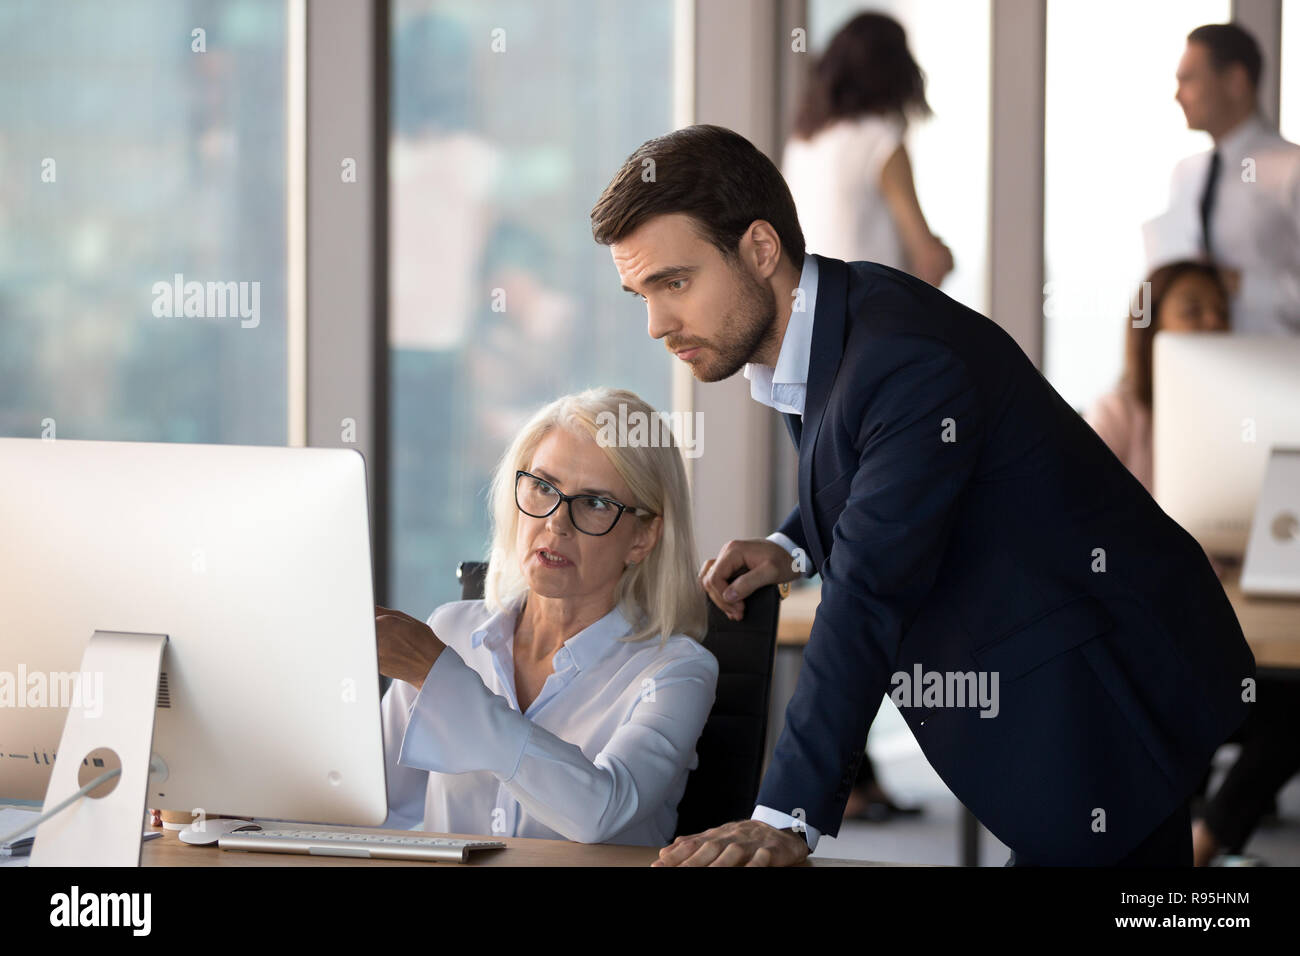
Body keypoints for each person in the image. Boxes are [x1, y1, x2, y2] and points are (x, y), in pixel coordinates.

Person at [590, 124, 1255, 866]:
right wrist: (793, 545)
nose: (655, 323)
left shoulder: (901, 355)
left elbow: (869, 590)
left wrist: (785, 816)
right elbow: (873, 473)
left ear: (760, 249)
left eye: (673, 282)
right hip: (1051, 687)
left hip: (1104, 690)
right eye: (638, 293)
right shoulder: (820, 331)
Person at [374, 387, 718, 846]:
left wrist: (442, 680)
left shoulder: (677, 670)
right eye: (542, 486)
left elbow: (600, 812)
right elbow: (376, 805)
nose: (557, 523)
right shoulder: (450, 631)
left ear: (643, 537)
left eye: (595, 503)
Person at [783, 11, 952, 288]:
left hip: (811, 313)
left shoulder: (804, 141)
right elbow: (928, 261)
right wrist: (943, 256)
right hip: (869, 318)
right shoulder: (881, 142)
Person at [1154, 22, 1300, 335]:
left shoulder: (1293, 170)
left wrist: (1242, 284)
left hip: (1279, 370)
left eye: (1189, 80)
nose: (1178, 95)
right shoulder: (1187, 174)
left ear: (1235, 81)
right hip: (1197, 367)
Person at [1086, 261, 1230, 494]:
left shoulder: (1234, 419)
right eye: (1192, 311)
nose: (1215, 322)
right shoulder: (1118, 412)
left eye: (1223, 312)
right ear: (1151, 327)